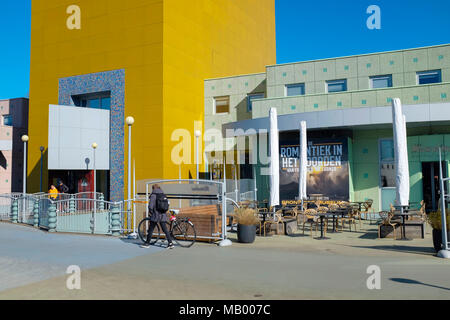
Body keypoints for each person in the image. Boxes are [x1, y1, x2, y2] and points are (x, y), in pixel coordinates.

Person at [141, 184, 174, 249]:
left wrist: (151, 212)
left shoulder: (154, 195)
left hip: (155, 215)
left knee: (151, 229)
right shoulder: (163, 194)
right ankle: (170, 243)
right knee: (165, 230)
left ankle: (147, 243)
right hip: (163, 214)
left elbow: (151, 206)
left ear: (153, 189)